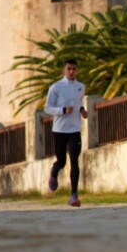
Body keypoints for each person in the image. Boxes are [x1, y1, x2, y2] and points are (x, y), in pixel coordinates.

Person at [44, 58, 88, 207]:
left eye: (74, 69)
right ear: (64, 70)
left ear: (77, 70)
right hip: (59, 130)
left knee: (74, 159)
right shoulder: (56, 87)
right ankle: (54, 171)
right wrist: (62, 111)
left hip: (74, 129)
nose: (71, 72)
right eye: (69, 69)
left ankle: (74, 195)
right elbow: (47, 108)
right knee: (62, 161)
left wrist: (82, 110)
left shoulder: (81, 87)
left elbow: (78, 102)